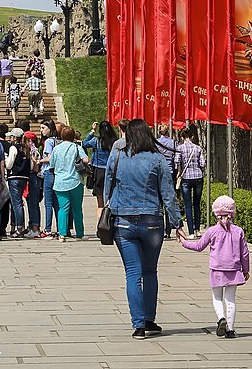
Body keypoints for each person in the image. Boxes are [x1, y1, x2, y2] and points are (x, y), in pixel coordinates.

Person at [104, 118, 184, 340]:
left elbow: (108, 186)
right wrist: (177, 223)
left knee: (133, 273)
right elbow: (168, 194)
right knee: (150, 271)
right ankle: (149, 318)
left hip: (123, 221)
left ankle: (138, 324)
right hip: (152, 222)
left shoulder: (118, 156)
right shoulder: (158, 159)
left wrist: (110, 208)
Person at [179, 195, 250, 338]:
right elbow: (245, 253)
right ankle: (230, 330)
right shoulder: (238, 231)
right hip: (234, 269)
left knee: (217, 298)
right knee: (230, 300)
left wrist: (184, 242)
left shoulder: (212, 231)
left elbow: (199, 246)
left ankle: (221, 318)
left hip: (217, 269)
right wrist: (246, 269)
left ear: (216, 214)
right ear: (232, 213)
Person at [49, 124, 88, 241]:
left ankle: (62, 234)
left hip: (60, 182)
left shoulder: (56, 148)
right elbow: (86, 159)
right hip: (75, 180)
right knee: (77, 208)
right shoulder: (76, 147)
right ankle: (80, 234)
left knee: (63, 208)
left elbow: (51, 164)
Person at [175, 126, 207, 235]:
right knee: (196, 204)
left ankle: (191, 232)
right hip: (198, 177)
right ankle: (198, 229)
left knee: (187, 205)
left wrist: (179, 173)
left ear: (182, 137)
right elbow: (202, 163)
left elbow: (177, 162)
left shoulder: (179, 148)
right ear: (192, 137)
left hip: (186, 178)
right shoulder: (198, 148)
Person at [82, 121, 117, 212]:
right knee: (111, 196)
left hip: (99, 171)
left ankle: (101, 222)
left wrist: (92, 131)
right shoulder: (115, 142)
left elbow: (84, 143)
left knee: (100, 203)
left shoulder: (96, 141)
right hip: (112, 169)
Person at [3, 128, 31, 238]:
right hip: (24, 177)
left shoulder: (13, 148)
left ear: (15, 138)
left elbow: (9, 164)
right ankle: (20, 226)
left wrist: (5, 159)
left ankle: (19, 228)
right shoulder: (26, 148)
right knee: (19, 202)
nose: (10, 139)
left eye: (11, 137)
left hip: (14, 177)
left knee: (16, 204)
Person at [38, 120, 58, 236]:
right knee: (56, 203)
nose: (41, 130)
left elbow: (50, 158)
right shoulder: (58, 140)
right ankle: (61, 228)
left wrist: (39, 160)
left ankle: (48, 228)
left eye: (43, 128)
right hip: (57, 173)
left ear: (49, 129)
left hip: (48, 172)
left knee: (48, 202)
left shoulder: (49, 141)